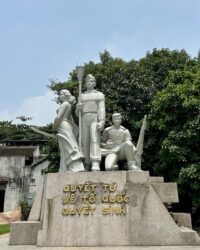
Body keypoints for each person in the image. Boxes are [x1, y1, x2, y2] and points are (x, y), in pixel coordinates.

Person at [76, 74, 105, 171]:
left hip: (94, 118)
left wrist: (101, 121)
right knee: (85, 142)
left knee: (94, 139)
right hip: (84, 118)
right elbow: (77, 114)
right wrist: (78, 109)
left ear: (95, 83)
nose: (89, 82)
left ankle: (95, 162)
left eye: (91, 81)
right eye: (87, 81)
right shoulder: (81, 95)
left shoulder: (99, 94)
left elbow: (101, 109)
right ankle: (87, 162)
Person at [54, 89, 84, 172]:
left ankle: (75, 166)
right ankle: (64, 167)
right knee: (66, 146)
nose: (60, 96)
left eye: (61, 94)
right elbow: (71, 120)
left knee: (69, 145)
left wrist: (55, 126)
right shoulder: (68, 105)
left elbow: (58, 117)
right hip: (66, 125)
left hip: (62, 124)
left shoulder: (65, 104)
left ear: (66, 95)